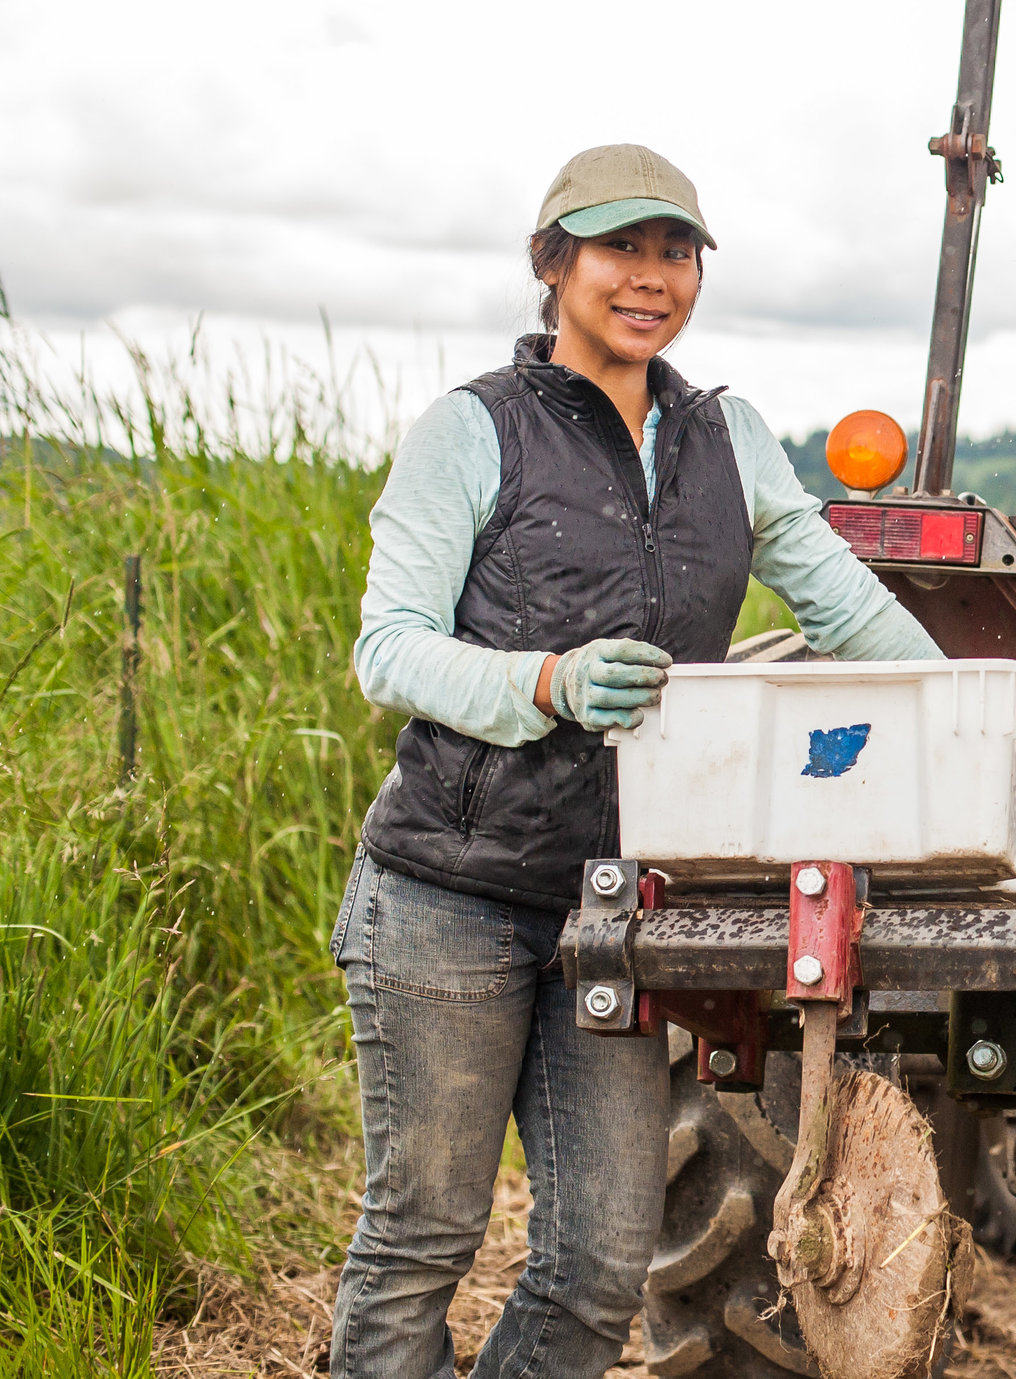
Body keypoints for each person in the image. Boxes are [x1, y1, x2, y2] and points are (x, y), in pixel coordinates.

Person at [329, 144, 943, 1377]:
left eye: (675, 252)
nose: (650, 277)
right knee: (423, 1236)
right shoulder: (474, 429)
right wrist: (541, 681)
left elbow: (843, 606)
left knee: (599, 1262)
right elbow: (388, 649)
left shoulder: (727, 437)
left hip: (619, 912)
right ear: (554, 265)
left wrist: (987, 711)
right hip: (450, 893)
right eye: (620, 249)